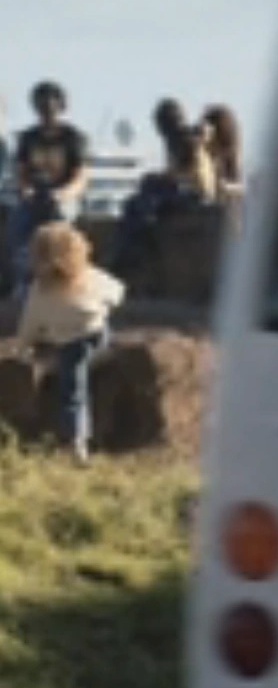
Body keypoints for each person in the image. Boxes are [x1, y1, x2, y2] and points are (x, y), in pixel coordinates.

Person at [15, 222, 126, 462]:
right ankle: (97, 355)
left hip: (69, 344)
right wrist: (99, 305)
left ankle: (77, 441)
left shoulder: (39, 291)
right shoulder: (91, 276)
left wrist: (22, 348)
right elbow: (118, 292)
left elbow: (30, 324)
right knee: (82, 348)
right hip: (96, 333)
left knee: (73, 392)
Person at [111, 99, 214, 277]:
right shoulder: (181, 137)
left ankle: (135, 247)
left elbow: (184, 174)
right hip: (187, 190)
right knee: (138, 200)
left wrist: (159, 179)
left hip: (194, 194)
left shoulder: (183, 139)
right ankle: (133, 244)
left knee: (143, 199)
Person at [9, 81, 89, 296]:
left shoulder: (73, 138)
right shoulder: (28, 138)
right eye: (42, 108)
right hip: (35, 194)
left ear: (60, 107)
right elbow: (20, 173)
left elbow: (81, 177)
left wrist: (63, 194)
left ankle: (63, 278)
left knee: (59, 222)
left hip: (64, 196)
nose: (46, 113)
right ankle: (23, 280)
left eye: (51, 108)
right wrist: (26, 190)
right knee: (19, 222)